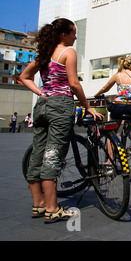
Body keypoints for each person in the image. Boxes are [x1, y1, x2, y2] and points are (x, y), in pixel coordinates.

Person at [19, 18, 103, 223]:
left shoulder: (46, 53)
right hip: (60, 107)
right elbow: (74, 84)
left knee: (38, 154)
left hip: (42, 107)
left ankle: (38, 204)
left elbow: (24, 76)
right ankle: (52, 208)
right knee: (53, 156)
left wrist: (43, 93)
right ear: (64, 34)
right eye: (73, 32)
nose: (75, 36)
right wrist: (87, 106)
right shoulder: (68, 52)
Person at [94, 56, 131, 176]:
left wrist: (97, 94)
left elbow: (105, 88)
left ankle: (110, 161)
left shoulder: (117, 76)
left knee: (111, 133)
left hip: (119, 107)